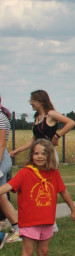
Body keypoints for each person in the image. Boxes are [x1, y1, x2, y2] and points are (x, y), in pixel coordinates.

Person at [0, 139, 75, 256]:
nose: (39, 156)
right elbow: (9, 186)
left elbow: (63, 191)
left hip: (47, 221)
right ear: (32, 155)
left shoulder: (54, 173)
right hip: (29, 222)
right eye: (36, 153)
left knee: (44, 252)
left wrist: (74, 209)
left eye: (43, 154)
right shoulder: (25, 172)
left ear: (50, 155)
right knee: (28, 252)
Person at [9, 90, 75, 159]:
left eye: (33, 100)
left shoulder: (51, 114)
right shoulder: (37, 117)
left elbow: (71, 123)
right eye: (30, 101)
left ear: (41, 101)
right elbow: (34, 140)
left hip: (49, 154)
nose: (31, 103)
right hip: (38, 154)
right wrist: (18, 150)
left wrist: (57, 136)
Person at [0, 94, 19, 246]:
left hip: (1, 162)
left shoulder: (1, 118)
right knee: (1, 197)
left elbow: (1, 145)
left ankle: (18, 229)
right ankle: (18, 229)